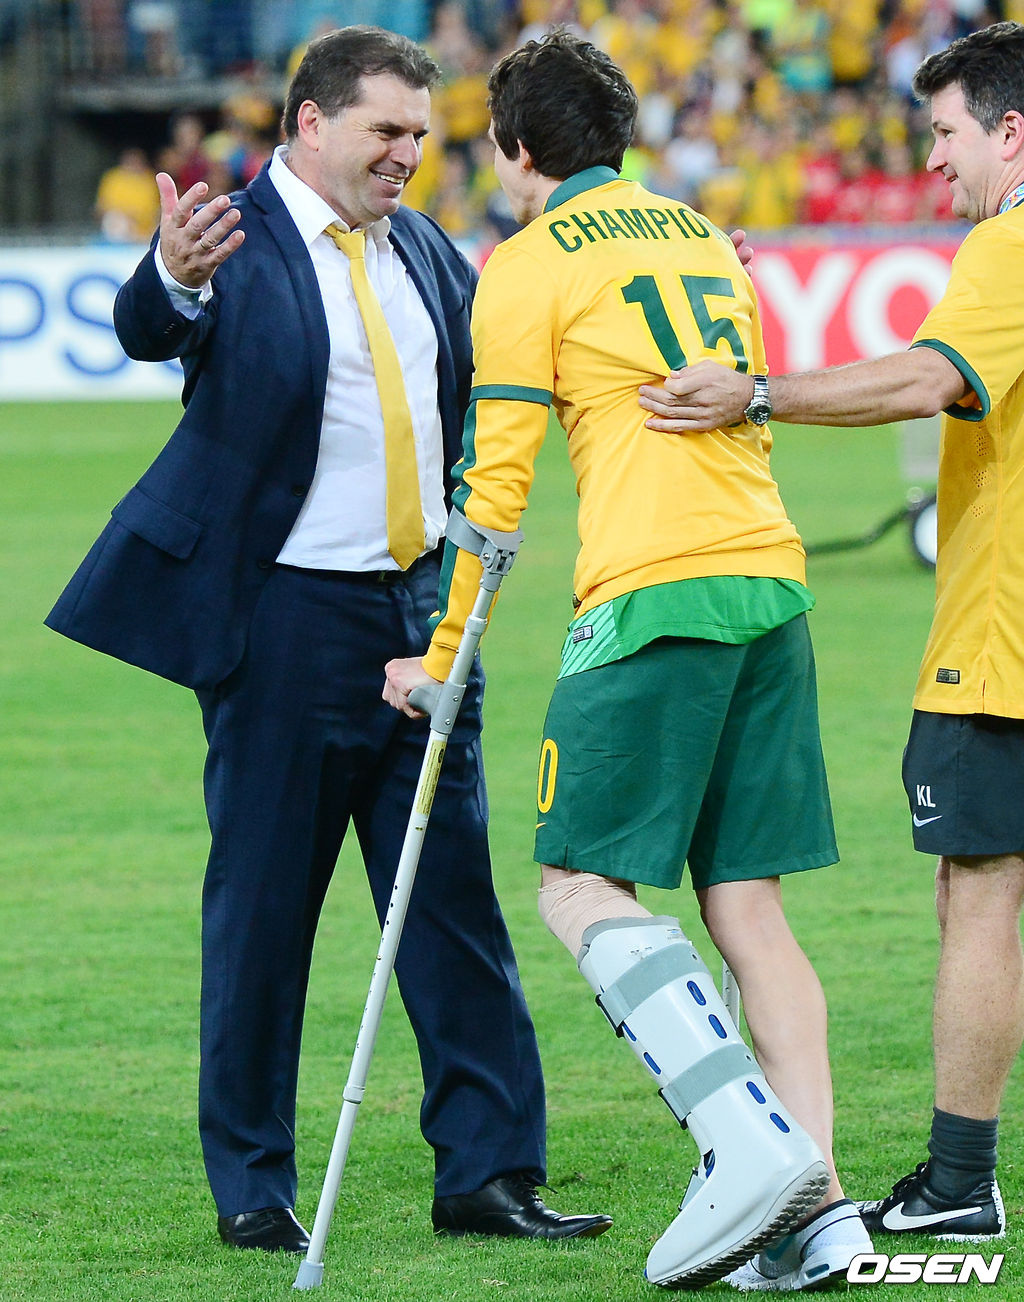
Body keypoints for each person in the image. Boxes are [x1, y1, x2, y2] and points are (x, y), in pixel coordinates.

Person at [46, 25, 611, 1255]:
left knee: (451, 895)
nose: (410, 155)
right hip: (285, 621)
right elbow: (151, 323)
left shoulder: (426, 250)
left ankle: (488, 1174)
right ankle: (252, 1185)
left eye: (421, 133)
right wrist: (173, 275)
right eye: (386, 132)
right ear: (311, 123)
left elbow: (518, 371)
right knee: (265, 911)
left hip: (420, 613)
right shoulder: (232, 241)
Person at [384, 28, 871, 1292]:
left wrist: (440, 654)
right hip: (770, 580)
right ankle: (820, 1217)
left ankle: (747, 1148)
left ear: (516, 149)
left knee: (576, 884)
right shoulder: (703, 235)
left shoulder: (526, 262)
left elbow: (496, 489)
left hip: (651, 596)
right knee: (746, 905)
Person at [638, 17, 1024, 1250]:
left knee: (980, 887)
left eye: (946, 134)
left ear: (1010, 134)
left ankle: (960, 1174)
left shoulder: (1009, 245)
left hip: (1003, 635)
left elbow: (925, 378)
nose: (930, 163)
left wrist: (755, 392)